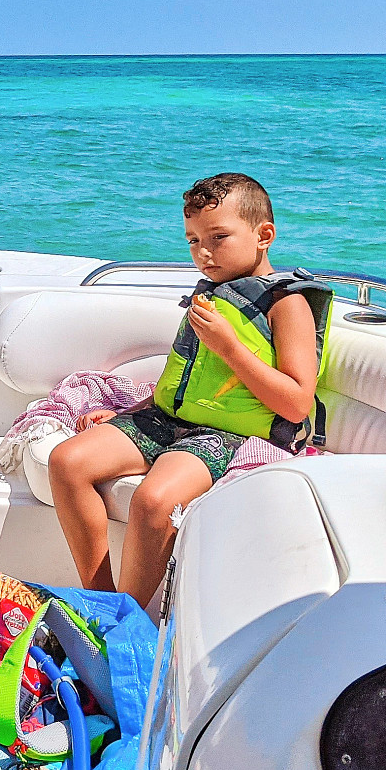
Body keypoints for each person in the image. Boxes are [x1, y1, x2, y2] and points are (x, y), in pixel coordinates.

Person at [46, 173, 333, 609]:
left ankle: (128, 617)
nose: (203, 252)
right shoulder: (213, 296)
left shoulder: (285, 305)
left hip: (228, 435)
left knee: (153, 499)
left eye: (218, 237)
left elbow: (295, 403)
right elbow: (186, 375)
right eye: (193, 240)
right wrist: (135, 411)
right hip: (167, 420)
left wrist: (229, 347)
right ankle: (99, 603)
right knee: (68, 461)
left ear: (264, 236)